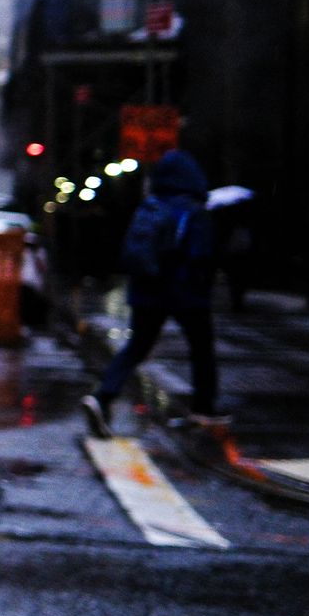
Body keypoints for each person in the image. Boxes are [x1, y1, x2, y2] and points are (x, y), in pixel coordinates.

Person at [82, 149, 222, 436]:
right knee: (202, 348)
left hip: (146, 290)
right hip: (185, 293)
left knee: (137, 347)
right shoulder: (193, 211)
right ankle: (204, 408)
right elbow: (201, 255)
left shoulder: (150, 205)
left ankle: (103, 397)